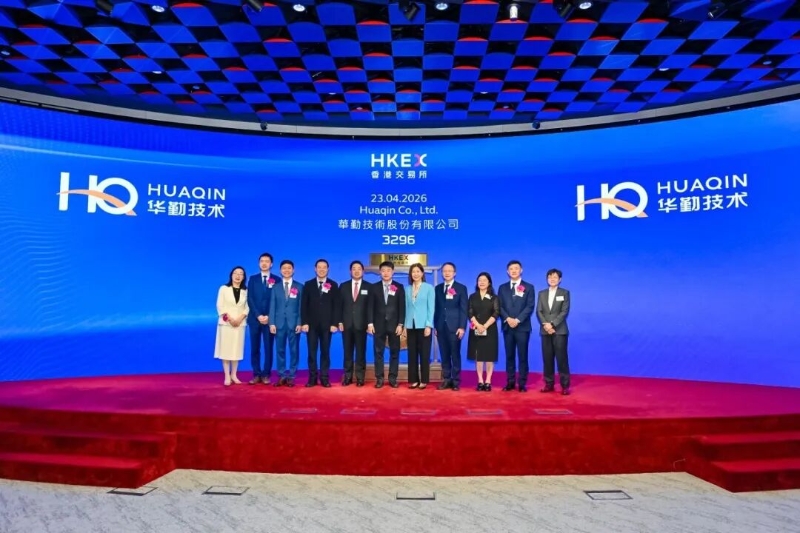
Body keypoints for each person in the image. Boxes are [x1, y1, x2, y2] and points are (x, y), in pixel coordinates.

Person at [301, 259, 340, 388]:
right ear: (315, 269)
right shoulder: (308, 284)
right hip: (311, 325)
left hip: (327, 325)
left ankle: (324, 378)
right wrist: (304, 322)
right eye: (319, 267)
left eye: (324, 267)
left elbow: (336, 306)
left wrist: (334, 323)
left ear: (328, 269)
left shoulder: (333, 285)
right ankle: (312, 378)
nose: (322, 269)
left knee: (325, 352)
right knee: (312, 353)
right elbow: (304, 305)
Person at [497, 260, 535, 392]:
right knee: (509, 356)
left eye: (516, 268)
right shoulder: (502, 288)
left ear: (521, 270)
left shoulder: (529, 287)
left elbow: (530, 306)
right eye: (511, 269)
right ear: (507, 272)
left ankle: (522, 383)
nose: (514, 271)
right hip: (507, 326)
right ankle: (510, 382)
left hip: (522, 327)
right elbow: (499, 306)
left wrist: (517, 320)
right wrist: (508, 319)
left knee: (523, 356)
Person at [367, 261, 405, 389]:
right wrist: (370, 323)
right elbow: (370, 307)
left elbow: (402, 307)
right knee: (378, 353)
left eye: (388, 270)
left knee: (394, 353)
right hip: (378, 325)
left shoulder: (399, 287)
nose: (386, 273)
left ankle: (393, 378)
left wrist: (400, 324)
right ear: (380, 272)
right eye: (383, 270)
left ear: (393, 272)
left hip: (394, 326)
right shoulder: (374, 287)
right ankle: (379, 378)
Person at [536, 268, 572, 395]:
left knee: (562, 359)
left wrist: (552, 324)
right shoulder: (542, 293)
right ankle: (549, 384)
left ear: (560, 279)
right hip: (545, 330)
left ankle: (565, 386)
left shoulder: (565, 293)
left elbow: (564, 312)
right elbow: (539, 311)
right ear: (547, 279)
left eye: (555, 277)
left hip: (560, 331)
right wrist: (546, 325)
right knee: (547, 359)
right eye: (550, 277)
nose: (552, 279)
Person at [434, 262, 468, 391]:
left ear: (455, 273)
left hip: (455, 327)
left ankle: (456, 380)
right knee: (444, 354)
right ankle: (446, 379)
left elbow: (463, 309)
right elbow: (436, 308)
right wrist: (436, 325)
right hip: (441, 326)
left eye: (449, 271)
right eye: (444, 271)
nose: (447, 273)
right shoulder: (438, 288)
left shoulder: (461, 288)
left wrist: (462, 327)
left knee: (455, 354)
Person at [269, 260, 303, 387]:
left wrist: (299, 322)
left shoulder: (299, 286)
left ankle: (292, 376)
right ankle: (282, 375)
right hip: (279, 324)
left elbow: (301, 307)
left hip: (294, 324)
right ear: (280, 270)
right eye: (284, 268)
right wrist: (272, 323)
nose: (287, 270)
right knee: (280, 350)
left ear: (293, 270)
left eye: (289, 268)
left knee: (294, 351)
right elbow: (272, 306)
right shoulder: (275, 287)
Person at [214, 266, 249, 386]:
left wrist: (239, 319)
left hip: (240, 323)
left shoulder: (246, 291)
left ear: (243, 277)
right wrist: (229, 318)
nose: (238, 276)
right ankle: (227, 376)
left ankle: (234, 374)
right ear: (231, 275)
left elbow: (247, 307)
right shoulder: (224, 288)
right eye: (235, 273)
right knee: (226, 349)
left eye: (241, 274)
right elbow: (220, 305)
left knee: (236, 349)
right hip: (226, 323)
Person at [339, 260, 372, 387]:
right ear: (350, 271)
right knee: (347, 352)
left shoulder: (369, 287)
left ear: (363, 271)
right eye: (354, 269)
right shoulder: (343, 286)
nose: (356, 271)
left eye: (359, 269)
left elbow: (370, 308)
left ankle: (360, 377)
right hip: (346, 324)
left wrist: (369, 323)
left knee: (360, 353)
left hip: (362, 325)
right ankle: (347, 377)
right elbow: (339, 306)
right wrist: (339, 321)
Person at [246, 253, 277, 385]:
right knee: (255, 348)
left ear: (271, 264)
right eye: (262, 261)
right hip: (255, 319)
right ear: (259, 263)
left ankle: (266, 374)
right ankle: (256, 374)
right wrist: (258, 315)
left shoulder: (277, 280)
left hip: (270, 320)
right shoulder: (253, 279)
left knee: (268, 348)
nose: (264, 263)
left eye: (267, 261)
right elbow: (250, 299)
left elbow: (277, 300)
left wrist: (269, 316)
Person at [404, 263, 435, 389]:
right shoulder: (407, 289)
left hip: (424, 325)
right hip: (410, 325)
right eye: (413, 272)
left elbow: (431, 308)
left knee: (424, 354)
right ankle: (414, 380)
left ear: (422, 273)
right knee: (412, 354)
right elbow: (406, 308)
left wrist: (428, 325)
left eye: (418, 271)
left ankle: (424, 380)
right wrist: (405, 326)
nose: (415, 274)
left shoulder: (429, 288)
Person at [467, 272, 500, 391]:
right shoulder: (472, 297)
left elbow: (496, 312)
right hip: (476, 329)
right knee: (479, 356)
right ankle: (480, 380)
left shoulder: (494, 297)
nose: (481, 282)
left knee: (489, 356)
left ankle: (488, 381)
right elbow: (469, 311)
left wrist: (485, 326)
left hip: (490, 329)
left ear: (489, 282)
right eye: (479, 280)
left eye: (484, 280)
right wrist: (477, 325)